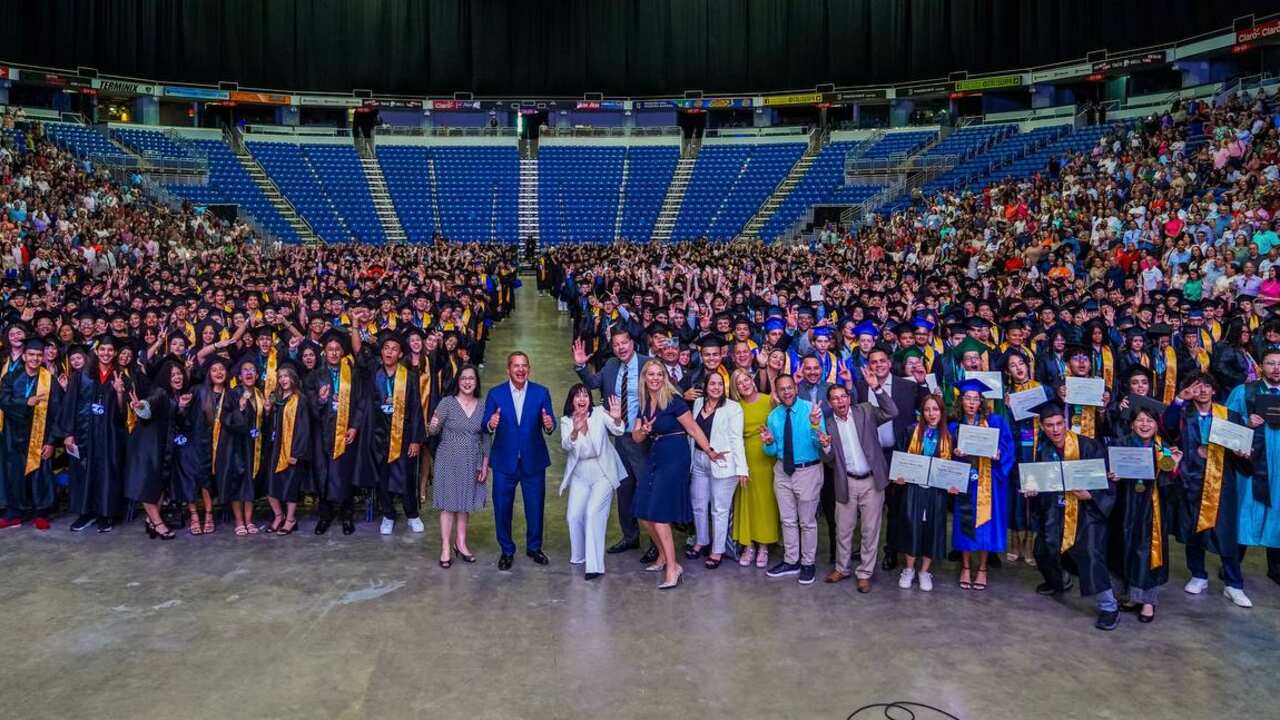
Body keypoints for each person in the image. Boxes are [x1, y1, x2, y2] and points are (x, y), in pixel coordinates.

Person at [630, 358, 722, 589]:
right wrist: (643, 430)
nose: (655, 378)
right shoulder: (644, 403)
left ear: (665, 377)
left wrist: (709, 450)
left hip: (675, 456)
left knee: (659, 514)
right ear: (644, 378)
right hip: (656, 454)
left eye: (659, 374)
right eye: (651, 374)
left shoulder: (673, 400)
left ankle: (673, 567)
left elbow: (692, 428)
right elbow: (636, 437)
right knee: (643, 512)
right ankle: (662, 555)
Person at [1027, 402, 1119, 631]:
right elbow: (1041, 480)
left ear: (1065, 423)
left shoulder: (1088, 446)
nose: (1055, 430)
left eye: (1059, 424)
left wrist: (1091, 494)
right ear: (1042, 426)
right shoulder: (1043, 449)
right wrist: (1034, 488)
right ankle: (1059, 582)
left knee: (1090, 554)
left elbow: (1106, 480)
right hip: (1056, 510)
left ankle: (1109, 607)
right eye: (1049, 425)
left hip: (1086, 512)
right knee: (1042, 548)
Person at [1167, 372, 1253, 607]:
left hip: (1221, 482)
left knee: (1226, 533)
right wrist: (1178, 400)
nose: (1202, 390)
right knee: (1194, 530)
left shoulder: (1230, 415)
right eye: (1197, 386)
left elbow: (1245, 450)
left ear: (1214, 391)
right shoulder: (1184, 413)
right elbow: (1167, 428)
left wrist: (1243, 453)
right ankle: (1198, 575)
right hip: (1191, 480)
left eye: (1207, 386)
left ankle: (1234, 584)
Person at [572, 328, 652, 559]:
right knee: (624, 487)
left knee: (645, 486)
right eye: (616, 345)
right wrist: (580, 367)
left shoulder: (648, 364)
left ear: (632, 343)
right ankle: (630, 536)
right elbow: (593, 383)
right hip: (619, 436)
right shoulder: (610, 366)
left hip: (643, 437)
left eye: (624, 342)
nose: (620, 348)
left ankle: (656, 541)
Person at [820, 371, 897, 592]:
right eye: (834, 398)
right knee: (843, 529)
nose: (840, 401)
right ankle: (842, 568)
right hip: (846, 482)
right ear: (830, 403)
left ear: (849, 397)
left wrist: (877, 388)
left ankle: (864, 573)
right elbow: (829, 459)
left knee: (870, 530)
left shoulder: (865, 410)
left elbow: (892, 411)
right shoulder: (828, 424)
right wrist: (825, 446)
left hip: (872, 482)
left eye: (843, 396)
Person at [485, 351, 557, 571]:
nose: (520, 369)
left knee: (535, 507)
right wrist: (491, 423)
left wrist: (548, 424)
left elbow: (550, 422)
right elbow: (485, 426)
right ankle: (507, 550)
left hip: (533, 461)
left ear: (529, 369)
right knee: (502, 507)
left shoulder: (541, 392)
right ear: (508, 369)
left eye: (524, 365)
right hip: (504, 462)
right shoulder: (495, 394)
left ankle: (534, 547)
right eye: (516, 366)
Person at [1107, 406, 1179, 623]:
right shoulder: (1120, 445)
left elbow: (1169, 489)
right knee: (1125, 549)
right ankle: (1130, 596)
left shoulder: (1164, 449)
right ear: (1132, 424)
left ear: (1157, 424)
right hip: (1125, 507)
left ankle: (1148, 601)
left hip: (1152, 511)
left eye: (1150, 420)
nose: (1145, 424)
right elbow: (1107, 478)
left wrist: (1173, 468)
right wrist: (1112, 477)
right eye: (1140, 420)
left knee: (1147, 553)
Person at [759, 374, 828, 585]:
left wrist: (816, 426)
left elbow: (821, 445)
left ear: (796, 389)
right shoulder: (774, 416)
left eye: (790, 388)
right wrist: (769, 442)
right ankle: (792, 561)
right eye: (782, 389)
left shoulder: (811, 410)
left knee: (807, 522)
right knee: (787, 520)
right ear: (777, 393)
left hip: (807, 471)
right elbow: (770, 451)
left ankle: (808, 563)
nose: (787, 392)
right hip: (782, 471)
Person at [950, 377, 1014, 591]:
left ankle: (983, 568)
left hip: (989, 481)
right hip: (965, 481)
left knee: (987, 524)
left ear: (981, 402)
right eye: (967, 398)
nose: (971, 402)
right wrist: (955, 453)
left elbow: (1008, 447)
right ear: (961, 401)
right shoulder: (953, 426)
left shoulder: (996, 422)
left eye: (975, 398)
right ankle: (966, 567)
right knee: (963, 523)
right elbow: (944, 454)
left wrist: (999, 455)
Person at [1225, 345, 1280, 586]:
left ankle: (1276, 567)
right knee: (1244, 511)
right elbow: (1226, 424)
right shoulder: (1243, 392)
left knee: (1277, 513)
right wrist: (1246, 422)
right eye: (1270, 363)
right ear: (1260, 366)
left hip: (1279, 468)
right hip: (1250, 464)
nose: (1276, 368)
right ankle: (1232, 565)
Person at [558, 387, 626, 580]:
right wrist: (574, 432)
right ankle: (579, 556)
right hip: (580, 474)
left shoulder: (598, 413)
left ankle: (594, 566)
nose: (582, 399)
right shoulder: (566, 420)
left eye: (585, 395)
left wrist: (617, 418)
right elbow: (565, 445)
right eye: (577, 396)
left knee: (593, 513)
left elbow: (618, 430)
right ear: (571, 400)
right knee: (573, 516)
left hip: (602, 473)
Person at [891, 394, 957, 591]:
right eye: (927, 409)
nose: (931, 414)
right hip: (914, 488)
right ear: (922, 412)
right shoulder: (911, 431)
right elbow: (900, 456)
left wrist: (953, 483)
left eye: (935, 409)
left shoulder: (949, 435)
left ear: (941, 411)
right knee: (912, 526)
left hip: (937, 491)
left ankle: (924, 571)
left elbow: (954, 466)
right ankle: (909, 569)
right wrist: (899, 475)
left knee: (933, 528)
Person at [426, 364, 489, 568]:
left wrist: (485, 463)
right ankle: (445, 546)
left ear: (476, 382)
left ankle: (460, 543)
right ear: (458, 381)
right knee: (448, 505)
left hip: (472, 459)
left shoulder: (482, 406)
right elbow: (433, 430)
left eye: (471, 378)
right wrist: (432, 425)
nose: (467, 382)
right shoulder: (447, 403)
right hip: (448, 458)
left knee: (464, 504)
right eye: (463, 378)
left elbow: (486, 436)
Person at [66, 335, 129, 533]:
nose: (106, 353)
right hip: (85, 432)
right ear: (96, 350)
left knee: (107, 473)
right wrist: (68, 433)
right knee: (84, 472)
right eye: (103, 349)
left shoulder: (120, 375)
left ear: (115, 353)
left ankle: (105, 513)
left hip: (109, 435)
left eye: (110, 350)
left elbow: (122, 415)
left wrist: (119, 393)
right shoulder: (82, 375)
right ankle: (86, 513)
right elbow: (70, 405)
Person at [364, 332, 425, 536]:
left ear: (400, 354)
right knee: (383, 477)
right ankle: (388, 515)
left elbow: (416, 408)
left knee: (407, 477)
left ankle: (412, 514)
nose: (390, 352)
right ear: (381, 352)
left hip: (404, 435)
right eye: (386, 348)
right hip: (380, 435)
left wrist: (416, 440)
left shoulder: (409, 376)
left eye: (394, 349)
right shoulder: (374, 375)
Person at [688, 371, 748, 568]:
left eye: (719, 384)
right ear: (706, 386)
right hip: (699, 460)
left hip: (723, 463)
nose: (716, 388)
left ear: (725, 387)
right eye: (712, 384)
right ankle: (702, 541)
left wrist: (742, 469)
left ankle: (717, 550)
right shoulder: (698, 404)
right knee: (698, 504)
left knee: (719, 509)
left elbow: (736, 439)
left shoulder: (733, 408)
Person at [0, 337, 62, 530]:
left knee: (40, 475)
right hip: (13, 437)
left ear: (43, 357)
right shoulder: (10, 377)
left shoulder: (49, 380)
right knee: (13, 474)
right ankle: (15, 514)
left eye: (38, 355)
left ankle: (41, 512)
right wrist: (25, 403)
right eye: (31, 355)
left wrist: (52, 442)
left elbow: (58, 413)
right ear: (24, 356)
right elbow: (3, 401)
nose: (35, 358)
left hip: (40, 436)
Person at [123, 358, 188, 540]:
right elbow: (148, 405)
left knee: (158, 485)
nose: (177, 377)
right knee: (148, 484)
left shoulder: (175, 395)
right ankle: (158, 523)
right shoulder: (160, 392)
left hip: (160, 445)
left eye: (179, 374)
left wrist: (181, 408)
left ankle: (151, 521)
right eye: (173, 374)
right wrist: (141, 406)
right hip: (147, 445)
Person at [307, 330, 365, 536]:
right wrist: (321, 400)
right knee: (323, 473)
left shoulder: (353, 374)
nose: (333, 353)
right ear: (324, 351)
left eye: (337, 349)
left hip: (346, 431)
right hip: (322, 431)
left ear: (342, 352)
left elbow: (361, 403)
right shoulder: (315, 375)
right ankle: (325, 515)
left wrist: (354, 427)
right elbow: (309, 405)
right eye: (330, 349)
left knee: (344, 474)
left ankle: (347, 516)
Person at [729, 368, 779, 568]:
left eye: (746, 379)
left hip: (767, 456)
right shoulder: (735, 407)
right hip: (744, 457)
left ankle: (764, 546)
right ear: (736, 389)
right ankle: (748, 545)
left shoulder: (769, 400)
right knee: (747, 501)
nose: (745, 384)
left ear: (752, 379)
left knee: (766, 502)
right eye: (739, 383)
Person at [222, 356, 267, 536]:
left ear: (257, 375)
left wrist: (268, 411)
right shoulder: (233, 393)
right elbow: (226, 420)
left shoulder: (259, 393)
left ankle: (249, 520)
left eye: (252, 370)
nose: (249, 373)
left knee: (250, 482)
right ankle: (239, 521)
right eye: (245, 370)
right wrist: (239, 409)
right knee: (237, 481)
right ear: (239, 376)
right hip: (237, 444)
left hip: (254, 444)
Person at [264, 364, 310, 536]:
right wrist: (268, 413)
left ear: (293, 378)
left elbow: (304, 428)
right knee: (270, 484)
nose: (283, 379)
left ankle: (290, 519)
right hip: (275, 447)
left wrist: (297, 453)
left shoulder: (300, 399)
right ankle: (278, 516)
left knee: (290, 485)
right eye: (280, 376)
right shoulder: (275, 398)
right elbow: (268, 426)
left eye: (286, 376)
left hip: (291, 449)